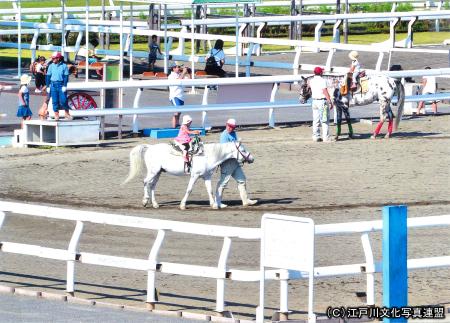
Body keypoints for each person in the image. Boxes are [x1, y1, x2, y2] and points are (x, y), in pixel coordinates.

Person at [215, 118, 257, 209]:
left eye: (233, 127)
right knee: (223, 183)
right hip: (227, 163)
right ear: (226, 125)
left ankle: (245, 200)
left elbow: (237, 146)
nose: (231, 129)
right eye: (230, 127)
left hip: (235, 162)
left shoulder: (233, 133)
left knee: (242, 180)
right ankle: (217, 202)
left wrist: (243, 156)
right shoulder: (224, 135)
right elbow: (225, 150)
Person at [310, 66, 334, 142]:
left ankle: (316, 136)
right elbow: (324, 91)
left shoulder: (311, 80)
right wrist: (329, 101)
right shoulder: (323, 80)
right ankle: (326, 137)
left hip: (314, 101)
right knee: (324, 120)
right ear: (320, 72)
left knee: (315, 120)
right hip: (322, 101)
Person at [46, 52, 71, 121]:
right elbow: (48, 76)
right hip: (53, 85)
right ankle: (56, 114)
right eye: (52, 58)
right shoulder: (51, 66)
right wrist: (47, 86)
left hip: (61, 84)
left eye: (54, 58)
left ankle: (66, 112)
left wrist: (65, 85)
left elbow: (66, 76)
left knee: (63, 100)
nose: (52, 59)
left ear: (58, 58)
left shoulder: (64, 66)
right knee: (55, 101)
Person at [168, 61, 189, 128]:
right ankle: (174, 127)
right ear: (173, 68)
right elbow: (178, 81)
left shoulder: (180, 75)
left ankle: (177, 124)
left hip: (181, 96)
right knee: (176, 112)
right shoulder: (171, 76)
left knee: (179, 113)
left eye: (180, 67)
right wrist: (183, 72)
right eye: (178, 67)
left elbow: (189, 80)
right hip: (175, 96)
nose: (179, 68)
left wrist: (189, 73)